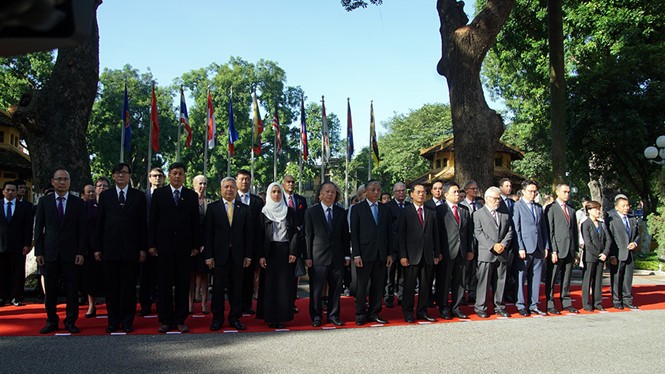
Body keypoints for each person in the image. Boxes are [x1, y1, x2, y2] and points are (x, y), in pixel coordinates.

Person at [148, 162, 200, 333]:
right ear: (169, 175)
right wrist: (152, 244)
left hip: (184, 248)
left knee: (182, 285)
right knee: (163, 284)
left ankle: (180, 319)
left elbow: (195, 223)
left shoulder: (191, 196)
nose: (177, 176)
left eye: (180, 173)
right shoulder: (159, 194)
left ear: (185, 176)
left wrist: (195, 245)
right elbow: (153, 221)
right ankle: (165, 319)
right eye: (174, 173)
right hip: (163, 247)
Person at [95, 163, 147, 333]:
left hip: (131, 249)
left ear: (129, 175)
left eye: (124, 173)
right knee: (111, 288)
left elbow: (142, 224)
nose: (121, 176)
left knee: (129, 288)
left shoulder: (138, 196)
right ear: (113, 176)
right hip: (110, 248)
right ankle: (113, 320)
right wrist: (97, 248)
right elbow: (99, 223)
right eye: (117, 173)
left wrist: (142, 248)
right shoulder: (105, 196)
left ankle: (127, 321)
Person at [34, 168, 87, 334]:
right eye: (59, 179)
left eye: (65, 179)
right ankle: (51, 320)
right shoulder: (44, 202)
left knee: (72, 290)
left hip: (71, 253)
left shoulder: (78, 203)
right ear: (52, 181)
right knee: (50, 290)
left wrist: (81, 252)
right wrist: (39, 252)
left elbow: (82, 230)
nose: (62, 182)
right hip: (50, 252)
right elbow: (38, 229)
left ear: (70, 182)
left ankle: (71, 321)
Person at [205, 177, 252, 331]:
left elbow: (248, 234)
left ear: (236, 189)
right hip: (219, 256)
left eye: (232, 187)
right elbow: (208, 234)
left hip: (238, 256)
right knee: (218, 289)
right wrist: (209, 256)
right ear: (221, 190)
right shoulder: (213, 208)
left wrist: (248, 255)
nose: (229, 190)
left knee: (236, 289)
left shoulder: (244, 209)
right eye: (226, 187)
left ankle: (235, 318)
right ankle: (217, 319)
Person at [305, 181, 351, 327]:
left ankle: (333, 315)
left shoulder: (341, 212)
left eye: (333, 192)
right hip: (318, 257)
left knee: (336, 289)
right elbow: (307, 236)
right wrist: (308, 257)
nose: (330, 194)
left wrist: (346, 255)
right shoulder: (311, 212)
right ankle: (316, 316)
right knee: (317, 290)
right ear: (320, 195)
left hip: (337, 258)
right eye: (327, 191)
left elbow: (345, 236)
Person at [350, 180, 393, 325]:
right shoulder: (357, 209)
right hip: (364, 253)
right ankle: (360, 313)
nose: (376, 193)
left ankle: (374, 312)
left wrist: (389, 254)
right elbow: (354, 234)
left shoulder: (385, 209)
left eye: (378, 190)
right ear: (366, 191)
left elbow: (389, 232)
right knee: (362, 286)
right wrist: (356, 254)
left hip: (381, 253)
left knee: (378, 285)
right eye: (373, 190)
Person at [257, 182, 298, 328]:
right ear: (269, 194)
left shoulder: (289, 212)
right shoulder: (264, 212)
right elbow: (260, 235)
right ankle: (270, 317)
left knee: (283, 286)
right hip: (269, 252)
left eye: (278, 192)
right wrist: (261, 255)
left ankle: (282, 317)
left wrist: (293, 251)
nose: (276, 195)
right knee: (270, 286)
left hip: (285, 251)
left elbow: (294, 234)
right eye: (273, 192)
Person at [398, 183, 440, 323]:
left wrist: (436, 254)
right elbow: (401, 235)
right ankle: (408, 312)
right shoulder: (405, 212)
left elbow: (436, 235)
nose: (421, 194)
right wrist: (403, 255)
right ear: (412, 194)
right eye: (418, 192)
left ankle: (422, 311)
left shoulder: (431, 211)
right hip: (411, 256)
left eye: (423, 192)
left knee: (425, 286)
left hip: (427, 255)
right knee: (409, 287)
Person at [473, 186, 513, 318]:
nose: (497, 201)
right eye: (495, 198)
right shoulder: (478, 214)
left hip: (502, 252)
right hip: (486, 253)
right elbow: (478, 233)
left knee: (500, 281)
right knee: (483, 282)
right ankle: (481, 307)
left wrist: (503, 244)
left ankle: (500, 306)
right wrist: (492, 245)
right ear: (487, 199)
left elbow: (510, 231)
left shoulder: (504, 213)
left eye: (499, 199)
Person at [435, 182, 473, 320]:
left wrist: (469, 249)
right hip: (446, 252)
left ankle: (456, 307)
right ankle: (444, 307)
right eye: (454, 192)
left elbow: (469, 232)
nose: (457, 194)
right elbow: (437, 234)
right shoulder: (440, 211)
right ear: (446, 195)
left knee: (460, 281)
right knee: (444, 281)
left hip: (461, 251)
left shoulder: (464, 210)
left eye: (458, 191)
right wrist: (438, 252)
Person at [512, 180, 549, 316]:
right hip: (525, 248)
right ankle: (520, 304)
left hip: (538, 247)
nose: (533, 194)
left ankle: (534, 304)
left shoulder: (539, 207)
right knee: (521, 277)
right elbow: (517, 228)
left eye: (535, 191)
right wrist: (520, 247)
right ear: (523, 191)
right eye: (530, 191)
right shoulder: (517, 206)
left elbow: (543, 228)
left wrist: (546, 246)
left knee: (536, 277)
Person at [545, 184, 579, 315]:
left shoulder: (571, 209)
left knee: (567, 278)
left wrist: (576, 250)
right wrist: (553, 250)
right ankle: (549, 303)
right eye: (564, 192)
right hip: (557, 249)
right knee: (552, 278)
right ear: (557, 192)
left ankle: (566, 302)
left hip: (569, 249)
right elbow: (550, 231)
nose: (567, 194)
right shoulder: (551, 208)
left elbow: (574, 231)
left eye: (569, 192)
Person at [0, 181, 33, 307]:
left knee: (17, 272)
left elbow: (28, 227)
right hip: (1, 244)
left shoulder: (24, 207)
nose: (10, 192)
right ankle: (1, 297)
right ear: (3, 191)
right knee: (1, 272)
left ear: (16, 192)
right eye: (8, 190)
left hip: (18, 245)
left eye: (13, 190)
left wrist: (27, 244)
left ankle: (16, 297)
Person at [236, 169, 264, 315]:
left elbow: (260, 227)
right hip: (234, 245)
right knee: (235, 277)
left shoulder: (257, 202)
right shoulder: (231, 198)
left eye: (247, 179)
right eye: (241, 179)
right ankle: (235, 305)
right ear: (236, 181)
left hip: (251, 246)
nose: (244, 182)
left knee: (248, 277)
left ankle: (246, 305)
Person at [606, 195, 639, 310]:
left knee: (628, 278)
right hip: (617, 253)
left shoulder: (632, 218)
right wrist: (612, 254)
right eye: (623, 206)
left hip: (629, 253)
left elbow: (637, 234)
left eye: (627, 205)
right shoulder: (611, 217)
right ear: (617, 207)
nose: (626, 208)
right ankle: (616, 300)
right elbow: (609, 237)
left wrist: (635, 243)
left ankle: (627, 300)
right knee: (616, 278)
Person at [139, 167, 163, 316]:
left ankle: (162, 306)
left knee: (162, 278)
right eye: (154, 176)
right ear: (149, 178)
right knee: (144, 278)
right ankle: (145, 306)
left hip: (163, 244)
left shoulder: (168, 195)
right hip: (145, 242)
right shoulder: (142, 196)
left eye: (160, 176)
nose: (157, 178)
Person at [282, 174, 307, 313]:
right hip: (282, 241)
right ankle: (282, 302)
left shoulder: (300, 200)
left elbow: (305, 219)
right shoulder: (279, 199)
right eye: (288, 182)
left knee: (293, 276)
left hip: (297, 241)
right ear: (283, 183)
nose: (291, 184)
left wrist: (300, 230)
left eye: (293, 182)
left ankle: (291, 302)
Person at [580, 201, 610, 312]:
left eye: (599, 209)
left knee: (598, 281)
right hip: (590, 257)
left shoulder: (602, 223)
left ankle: (598, 303)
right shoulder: (586, 224)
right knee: (587, 280)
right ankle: (587, 304)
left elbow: (608, 239)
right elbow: (588, 243)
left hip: (601, 257)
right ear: (589, 211)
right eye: (595, 209)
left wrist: (605, 253)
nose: (598, 211)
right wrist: (597, 254)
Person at [384, 181, 411, 308]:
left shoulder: (409, 206)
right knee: (390, 274)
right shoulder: (388, 207)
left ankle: (401, 296)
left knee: (403, 275)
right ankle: (388, 296)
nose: (401, 193)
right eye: (399, 191)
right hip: (392, 246)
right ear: (394, 193)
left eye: (403, 190)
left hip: (405, 246)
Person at [82, 182, 103, 318]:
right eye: (88, 191)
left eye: (105, 186)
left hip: (108, 245)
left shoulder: (112, 202)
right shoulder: (85, 206)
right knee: (90, 278)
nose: (91, 194)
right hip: (90, 246)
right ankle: (91, 305)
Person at [190, 175, 210, 315]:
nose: (202, 186)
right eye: (199, 183)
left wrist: (205, 244)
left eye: (204, 183)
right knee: (190, 276)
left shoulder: (209, 202)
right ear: (194, 185)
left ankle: (204, 304)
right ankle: (190, 304)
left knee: (204, 275)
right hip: (191, 246)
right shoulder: (188, 201)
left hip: (206, 244)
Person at [460, 180, 483, 304]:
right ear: (467, 190)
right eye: (472, 188)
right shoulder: (462, 205)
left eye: (476, 188)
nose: (475, 190)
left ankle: (473, 293)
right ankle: (462, 293)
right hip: (465, 242)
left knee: (475, 270)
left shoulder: (480, 205)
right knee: (465, 269)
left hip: (478, 242)